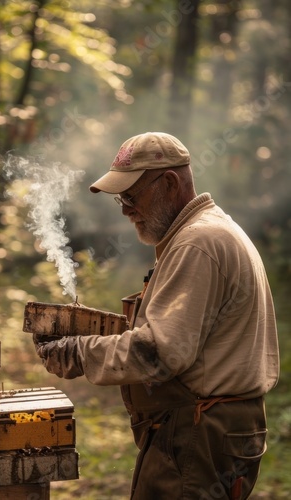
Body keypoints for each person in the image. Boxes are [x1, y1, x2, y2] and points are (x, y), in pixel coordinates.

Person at [33, 132, 280, 499]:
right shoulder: (208, 232)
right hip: (208, 429)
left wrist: (79, 352)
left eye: (132, 195)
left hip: (199, 432)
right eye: (121, 198)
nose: (125, 209)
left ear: (169, 183)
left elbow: (161, 353)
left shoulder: (198, 242)